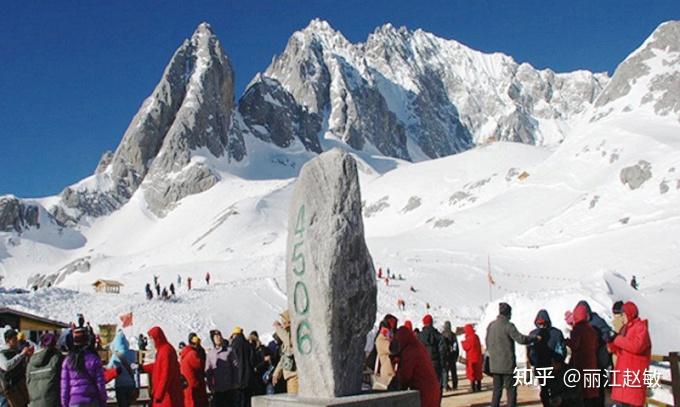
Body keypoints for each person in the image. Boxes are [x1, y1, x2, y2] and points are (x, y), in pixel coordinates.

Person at [486, 302, 536, 407]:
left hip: (494, 365)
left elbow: (487, 342)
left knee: (496, 391)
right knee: (511, 390)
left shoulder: (491, 325)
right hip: (507, 365)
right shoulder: (508, 326)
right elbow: (521, 339)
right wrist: (533, 338)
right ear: (508, 313)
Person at [608, 301, 651, 407]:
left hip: (633, 377)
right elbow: (620, 347)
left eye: (623, 315)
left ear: (630, 314)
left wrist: (617, 339)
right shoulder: (625, 328)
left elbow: (636, 346)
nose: (622, 318)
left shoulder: (641, 327)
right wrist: (611, 342)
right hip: (625, 377)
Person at [527, 309, 566, 406]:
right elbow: (562, 349)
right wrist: (560, 361)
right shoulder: (557, 333)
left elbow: (530, 352)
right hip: (554, 366)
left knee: (544, 389)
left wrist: (533, 363)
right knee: (556, 390)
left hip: (540, 367)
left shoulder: (533, 334)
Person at [60, 327, 107, 407]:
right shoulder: (94, 359)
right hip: (92, 400)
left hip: (74, 401)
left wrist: (64, 403)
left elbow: (64, 386)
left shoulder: (68, 361)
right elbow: (100, 384)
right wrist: (103, 401)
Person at [395, 327, 441, 407]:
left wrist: (395, 385)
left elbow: (405, 375)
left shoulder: (410, 351)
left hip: (424, 391)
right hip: (433, 389)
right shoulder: (418, 346)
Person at [566, 305, 599, 407]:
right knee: (591, 392)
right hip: (592, 363)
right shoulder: (591, 329)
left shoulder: (577, 330)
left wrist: (567, 341)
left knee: (582, 393)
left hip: (581, 363)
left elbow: (575, 345)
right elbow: (596, 345)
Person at [143, 326, 183, 407]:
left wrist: (159, 394)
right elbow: (158, 367)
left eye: (152, 339)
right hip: (164, 395)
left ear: (157, 338)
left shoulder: (166, 351)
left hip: (167, 395)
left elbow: (166, 374)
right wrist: (144, 368)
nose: (151, 341)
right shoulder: (162, 350)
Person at [26, 333, 63, 407]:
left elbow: (28, 382)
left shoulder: (30, 361)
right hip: (53, 402)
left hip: (34, 403)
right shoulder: (57, 358)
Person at [1, 329, 33, 407]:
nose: (17, 341)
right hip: (9, 390)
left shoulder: (17, 352)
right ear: (8, 340)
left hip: (20, 388)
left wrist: (28, 356)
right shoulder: (2, 354)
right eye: (14, 339)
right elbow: (6, 366)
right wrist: (22, 354)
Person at [418, 314, 447, 395]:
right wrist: (443, 363)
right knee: (437, 384)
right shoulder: (438, 335)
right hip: (436, 362)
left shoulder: (419, 336)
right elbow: (442, 350)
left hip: (424, 363)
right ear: (431, 323)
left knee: (425, 385)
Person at [206, 330, 236, 406]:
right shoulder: (210, 354)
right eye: (216, 336)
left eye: (219, 335)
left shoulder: (229, 351)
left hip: (229, 387)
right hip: (217, 388)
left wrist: (235, 382)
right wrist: (210, 386)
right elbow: (208, 372)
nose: (218, 338)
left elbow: (235, 367)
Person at [108, 331, 137, 407]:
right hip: (131, 384)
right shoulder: (132, 354)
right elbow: (135, 368)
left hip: (120, 385)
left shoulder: (116, 355)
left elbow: (108, 368)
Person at [272, 311, 298, 394]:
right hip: (290, 376)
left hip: (295, 376)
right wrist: (276, 373)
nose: (281, 322)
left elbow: (289, 341)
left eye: (283, 319)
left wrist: (278, 328)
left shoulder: (294, 334)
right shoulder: (286, 336)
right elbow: (284, 358)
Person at [180, 333, 208, 407]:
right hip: (195, 384)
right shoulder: (193, 354)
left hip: (187, 384)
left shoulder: (185, 352)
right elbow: (201, 366)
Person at [230, 328, 253, 407]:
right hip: (249, 378)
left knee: (239, 401)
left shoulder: (233, 345)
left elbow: (232, 361)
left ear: (235, 334)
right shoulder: (248, 344)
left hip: (237, 378)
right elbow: (252, 360)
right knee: (247, 401)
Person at [373, 321, 396, 390]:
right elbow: (392, 349)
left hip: (390, 369)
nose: (388, 332)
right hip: (387, 371)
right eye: (386, 330)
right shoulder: (381, 339)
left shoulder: (387, 338)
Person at [462, 324, 483, 393]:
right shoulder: (476, 336)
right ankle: (479, 387)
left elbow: (466, 347)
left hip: (471, 358)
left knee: (472, 373)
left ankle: (473, 388)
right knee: (478, 373)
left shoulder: (469, 338)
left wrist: (463, 343)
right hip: (478, 357)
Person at [248, 331, 269, 397]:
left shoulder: (261, 349)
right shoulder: (252, 349)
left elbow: (264, 361)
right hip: (256, 375)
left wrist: (256, 368)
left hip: (261, 375)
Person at [441, 321, 460, 391]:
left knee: (445, 371)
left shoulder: (442, 334)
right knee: (453, 371)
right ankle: (455, 385)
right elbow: (455, 346)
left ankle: (445, 385)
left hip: (445, 356)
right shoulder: (453, 335)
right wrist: (456, 354)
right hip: (452, 356)